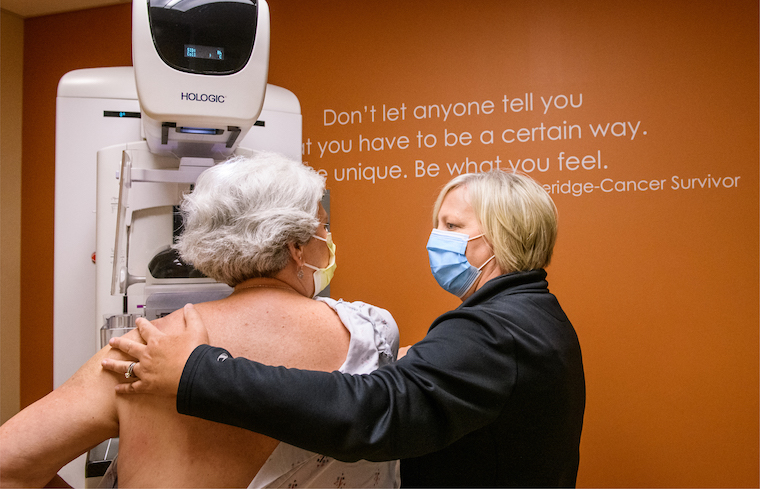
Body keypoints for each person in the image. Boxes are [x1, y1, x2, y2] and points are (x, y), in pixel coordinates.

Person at [105, 169, 586, 487]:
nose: (435, 239)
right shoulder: (530, 314)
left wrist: (198, 372)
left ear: (499, 237)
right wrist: (424, 367)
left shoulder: (493, 331)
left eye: (452, 226)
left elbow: (374, 413)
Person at [0, 152, 400, 488]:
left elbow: (9, 466)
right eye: (323, 226)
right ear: (296, 247)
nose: (328, 239)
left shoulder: (147, 347)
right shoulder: (368, 330)